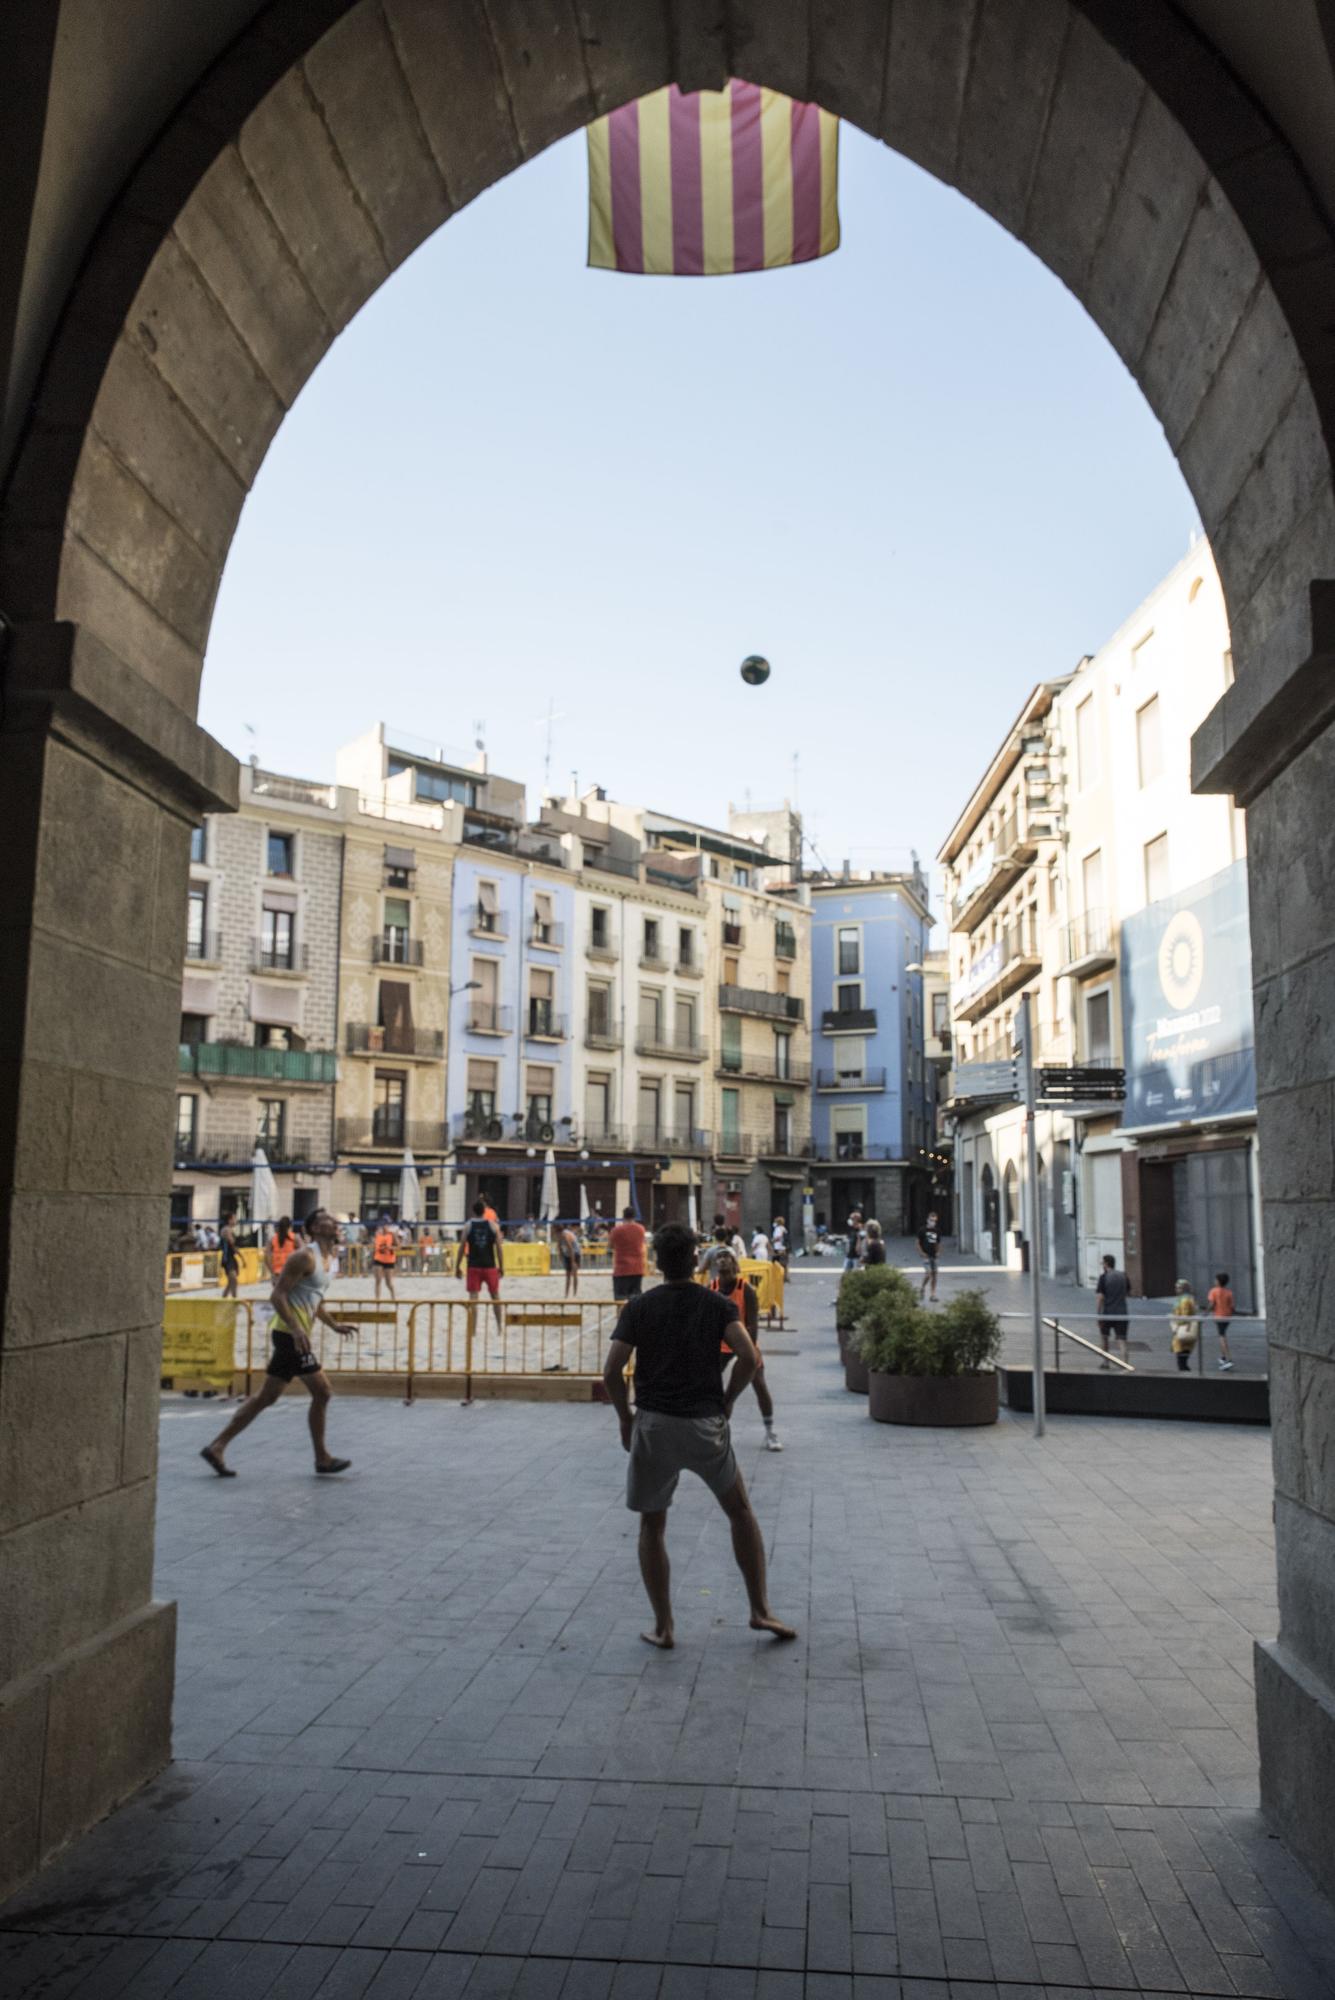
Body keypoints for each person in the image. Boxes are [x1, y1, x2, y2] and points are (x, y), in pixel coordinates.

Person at [601, 1222, 796, 1649]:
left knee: (653, 1525)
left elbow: (612, 1371)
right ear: (695, 1260)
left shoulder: (639, 1307)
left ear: (657, 1262)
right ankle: (760, 1609)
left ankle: (665, 1626)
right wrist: (728, 1399)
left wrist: (624, 1419)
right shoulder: (717, 1305)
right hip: (705, 1424)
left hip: (654, 1424)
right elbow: (748, 1355)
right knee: (740, 1511)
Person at [201, 1208, 356, 1477]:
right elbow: (278, 1295)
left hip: (294, 1335)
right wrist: (296, 1330)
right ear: (316, 1229)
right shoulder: (304, 1257)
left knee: (265, 1398)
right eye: (328, 1221)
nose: (335, 1224)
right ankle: (322, 1458)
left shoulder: (330, 1260)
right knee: (323, 1392)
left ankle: (217, 1446)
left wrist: (333, 1325)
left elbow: (313, 1299)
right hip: (289, 1336)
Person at [713, 1249, 782, 1451]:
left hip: (744, 1341)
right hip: (721, 1344)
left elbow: (753, 1324)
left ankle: (770, 1432)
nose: (723, 1260)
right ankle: (717, 1431)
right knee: (708, 1385)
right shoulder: (711, 1288)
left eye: (727, 1257)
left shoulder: (746, 1290)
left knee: (759, 1384)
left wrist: (749, 1354)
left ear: (735, 1265)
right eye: (719, 1258)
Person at [455, 1197, 505, 1330]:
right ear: (485, 1211)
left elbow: (461, 1247)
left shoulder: (468, 1225)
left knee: (473, 1299)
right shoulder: (492, 1225)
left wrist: (457, 1266)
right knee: (495, 1296)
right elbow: (499, 1248)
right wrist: (502, 1266)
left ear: (473, 1211)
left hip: (473, 1266)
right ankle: (499, 1326)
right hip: (489, 1265)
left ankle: (473, 1329)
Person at [1096, 1253, 1130, 1366]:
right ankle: (1125, 1363)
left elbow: (1100, 1298)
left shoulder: (1103, 1277)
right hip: (1122, 1312)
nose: (1102, 1265)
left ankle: (1106, 1361)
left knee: (1104, 1338)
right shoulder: (1123, 1276)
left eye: (1103, 1263)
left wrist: (1098, 1314)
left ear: (1106, 1264)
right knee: (1122, 1340)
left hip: (1108, 1313)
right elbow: (1127, 1292)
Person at [610, 1205, 647, 1305]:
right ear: (634, 1216)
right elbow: (643, 1243)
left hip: (621, 1269)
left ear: (623, 1216)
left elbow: (611, 1246)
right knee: (636, 1300)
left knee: (620, 1300)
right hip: (637, 1269)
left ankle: (620, 1318)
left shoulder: (616, 1230)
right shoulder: (641, 1229)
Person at [1207, 1271, 1236, 1370]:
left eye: (1215, 1279)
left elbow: (1211, 1304)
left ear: (1218, 1281)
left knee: (1222, 1337)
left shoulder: (1214, 1291)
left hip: (1219, 1317)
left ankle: (1229, 1359)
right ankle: (1223, 1358)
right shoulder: (1229, 1292)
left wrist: (1206, 1313)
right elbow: (1232, 1307)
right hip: (1227, 1317)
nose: (1214, 1281)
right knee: (1222, 1335)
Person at [1170, 1278, 1199, 1372]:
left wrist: (1174, 1321)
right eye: (1176, 1287)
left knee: (1181, 1361)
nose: (1176, 1289)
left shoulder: (1184, 1300)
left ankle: (1186, 1379)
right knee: (1182, 1361)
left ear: (1184, 1289)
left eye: (1179, 1288)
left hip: (1183, 1331)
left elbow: (1184, 1317)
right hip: (1184, 1331)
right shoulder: (1184, 1299)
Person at [265, 1216, 300, 1284]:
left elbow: (266, 1257)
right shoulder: (295, 1238)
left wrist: (272, 1273)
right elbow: (304, 1255)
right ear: (290, 1226)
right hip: (291, 1273)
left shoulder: (272, 1239)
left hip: (277, 1274)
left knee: (279, 1294)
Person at [917, 1211, 942, 1301]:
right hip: (926, 1256)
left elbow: (937, 1243)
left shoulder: (936, 1231)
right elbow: (918, 1243)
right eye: (931, 1220)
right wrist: (921, 1253)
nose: (933, 1222)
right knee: (928, 1274)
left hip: (933, 1256)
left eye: (934, 1221)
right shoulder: (922, 1230)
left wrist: (938, 1252)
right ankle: (922, 1288)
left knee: (934, 1274)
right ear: (927, 1220)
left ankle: (933, 1294)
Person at [371, 1216, 398, 1301]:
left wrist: (391, 1248)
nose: (386, 1226)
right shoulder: (377, 1234)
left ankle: (393, 1297)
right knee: (378, 1280)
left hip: (389, 1260)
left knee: (388, 1283)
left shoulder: (392, 1234)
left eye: (387, 1224)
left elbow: (398, 1246)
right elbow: (375, 1246)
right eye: (384, 1224)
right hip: (378, 1258)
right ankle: (377, 1300)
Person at [219, 1210, 240, 1299]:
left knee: (232, 1281)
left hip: (231, 1257)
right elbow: (232, 1243)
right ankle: (234, 1298)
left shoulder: (230, 1230)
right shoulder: (226, 1230)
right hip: (227, 1258)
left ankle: (225, 1298)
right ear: (229, 1220)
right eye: (234, 1218)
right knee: (233, 1279)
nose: (236, 1221)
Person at [558, 1221, 581, 1298]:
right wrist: (561, 1258)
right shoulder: (559, 1235)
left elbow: (571, 1249)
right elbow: (559, 1248)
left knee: (574, 1274)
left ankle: (575, 1294)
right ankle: (566, 1295)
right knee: (568, 1275)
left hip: (575, 1253)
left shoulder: (565, 1235)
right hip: (568, 1254)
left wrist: (573, 1262)